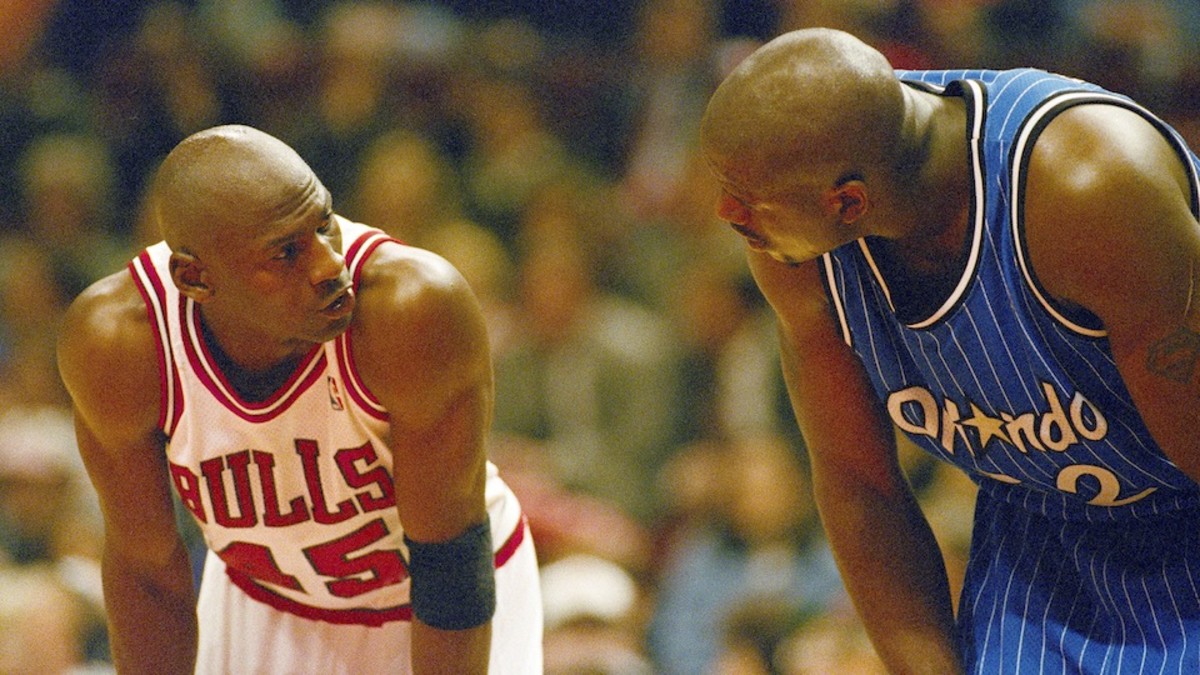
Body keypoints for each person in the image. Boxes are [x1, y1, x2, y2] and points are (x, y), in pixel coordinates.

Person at [699, 27, 1200, 672]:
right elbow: (859, 485)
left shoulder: (1086, 187)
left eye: (744, 198)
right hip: (1035, 532)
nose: (725, 213)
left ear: (848, 202)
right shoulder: (797, 245)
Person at [56, 124, 543, 674]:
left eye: (324, 224)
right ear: (195, 278)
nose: (329, 266)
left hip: (440, 601)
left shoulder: (409, 309)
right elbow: (145, 567)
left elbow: (449, 556)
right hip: (267, 600)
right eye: (286, 253)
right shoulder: (121, 345)